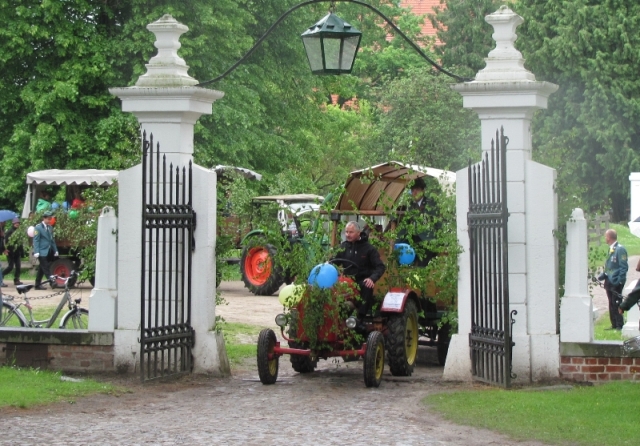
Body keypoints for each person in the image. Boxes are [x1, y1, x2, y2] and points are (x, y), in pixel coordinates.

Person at [332, 221, 386, 322]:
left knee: (367, 284)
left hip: (361, 281)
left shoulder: (369, 249)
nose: (348, 235)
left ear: (359, 233)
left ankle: (359, 317)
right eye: (346, 232)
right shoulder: (343, 247)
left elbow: (380, 267)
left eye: (351, 232)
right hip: (346, 282)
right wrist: (327, 265)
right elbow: (334, 262)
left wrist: (372, 278)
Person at [395, 177, 438, 267]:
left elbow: (437, 223)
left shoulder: (431, 203)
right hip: (413, 238)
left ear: (423, 190)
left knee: (423, 263)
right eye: (412, 190)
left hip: (427, 239)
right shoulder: (410, 204)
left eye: (417, 189)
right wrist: (396, 241)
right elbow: (405, 224)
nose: (414, 193)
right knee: (400, 252)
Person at [597, 229, 628, 330]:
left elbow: (623, 267)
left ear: (609, 237)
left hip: (616, 281)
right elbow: (610, 266)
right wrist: (604, 275)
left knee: (617, 302)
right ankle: (614, 323)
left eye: (606, 236)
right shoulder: (610, 249)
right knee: (611, 302)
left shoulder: (620, 249)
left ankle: (619, 324)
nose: (605, 238)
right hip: (609, 281)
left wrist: (620, 280)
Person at [33, 211, 59, 290]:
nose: (49, 220)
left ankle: (37, 284)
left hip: (48, 250)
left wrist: (55, 250)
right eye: (48, 219)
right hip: (41, 251)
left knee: (42, 268)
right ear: (44, 218)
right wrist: (36, 251)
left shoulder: (50, 227)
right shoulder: (38, 227)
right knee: (45, 267)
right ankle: (52, 282)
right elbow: (36, 240)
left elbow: (52, 240)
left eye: (50, 219)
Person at [3, 217, 24, 285]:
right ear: (13, 223)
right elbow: (6, 242)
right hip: (10, 252)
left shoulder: (19, 231)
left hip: (17, 252)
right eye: (16, 223)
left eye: (18, 223)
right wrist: (7, 250)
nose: (17, 224)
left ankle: (16, 280)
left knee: (18, 266)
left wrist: (22, 252)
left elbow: (20, 243)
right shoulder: (9, 231)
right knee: (10, 267)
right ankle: (1, 275)